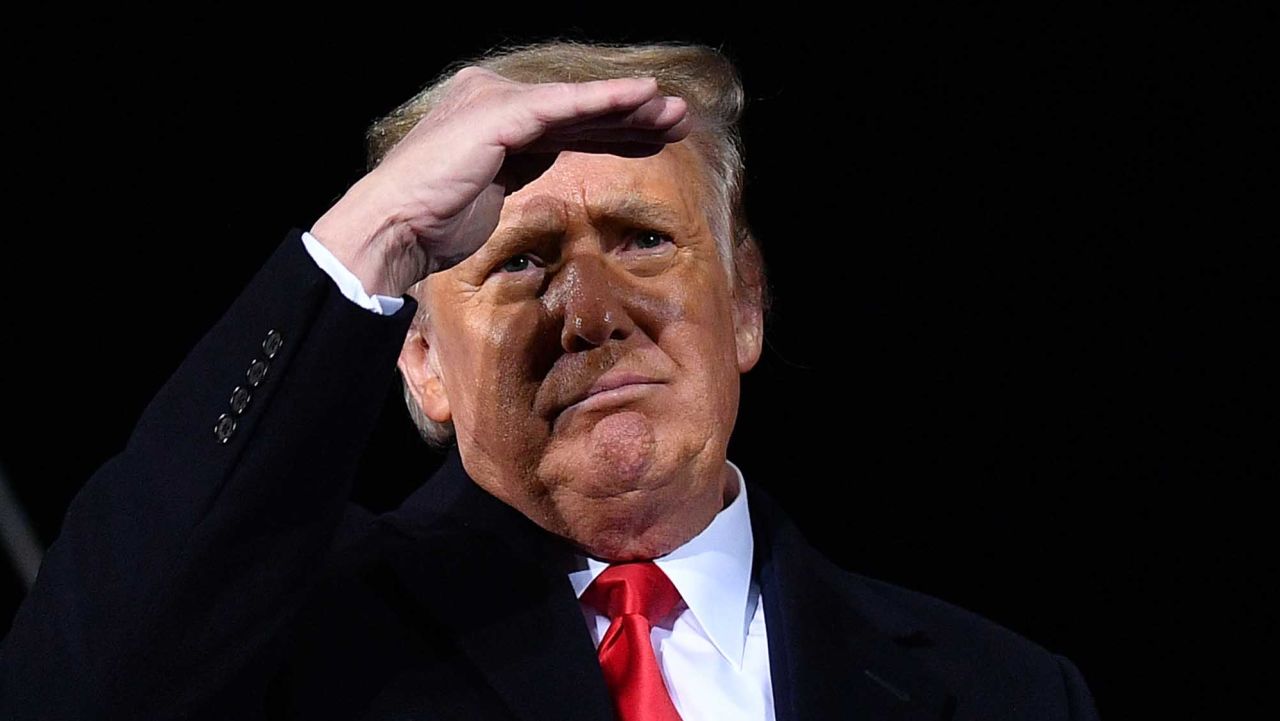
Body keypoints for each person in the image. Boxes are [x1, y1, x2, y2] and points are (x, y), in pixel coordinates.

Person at [0, 39, 1100, 720]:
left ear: (747, 305)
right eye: (520, 263)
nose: (590, 313)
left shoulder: (1003, 689)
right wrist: (380, 224)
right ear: (421, 362)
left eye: (642, 241)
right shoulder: (282, 640)